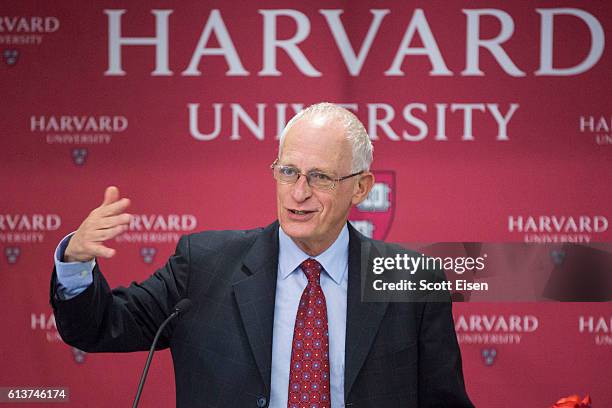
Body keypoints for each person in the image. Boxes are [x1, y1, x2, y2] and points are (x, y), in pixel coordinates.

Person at [51, 103, 474, 408]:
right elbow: (101, 326)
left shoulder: (410, 280)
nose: (298, 192)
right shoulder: (204, 265)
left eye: (320, 177)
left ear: (361, 188)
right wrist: (75, 262)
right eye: (288, 172)